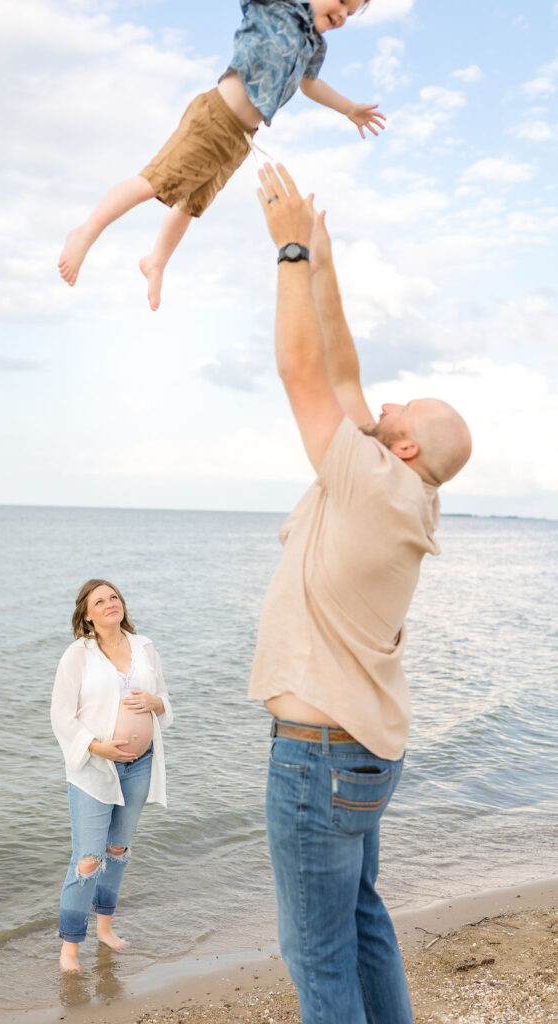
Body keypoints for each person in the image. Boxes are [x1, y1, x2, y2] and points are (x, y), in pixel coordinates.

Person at [250, 163, 472, 1023]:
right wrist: (324, 263)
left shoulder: (370, 482)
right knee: (363, 924)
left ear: (405, 448)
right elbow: (340, 358)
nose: (382, 403)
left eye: (399, 411)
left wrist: (288, 249)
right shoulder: (400, 487)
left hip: (314, 756)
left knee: (318, 960)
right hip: (362, 754)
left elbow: (302, 369)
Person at [59, 0, 383, 310]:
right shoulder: (275, 5)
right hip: (213, 117)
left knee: (191, 205)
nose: (341, 14)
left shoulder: (315, 46)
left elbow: (310, 85)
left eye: (349, 13)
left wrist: (349, 108)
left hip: (240, 139)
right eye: (341, 1)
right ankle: (86, 232)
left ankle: (156, 261)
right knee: (153, 182)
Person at [51, 578, 173, 973]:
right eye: (99, 601)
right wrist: (95, 745)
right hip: (94, 767)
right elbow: (61, 716)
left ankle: (105, 929)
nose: (109, 604)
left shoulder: (145, 647)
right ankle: (69, 950)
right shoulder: (78, 655)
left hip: (140, 764)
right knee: (88, 859)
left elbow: (166, 702)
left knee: (117, 852)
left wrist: (155, 702)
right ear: (87, 614)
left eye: (114, 597)